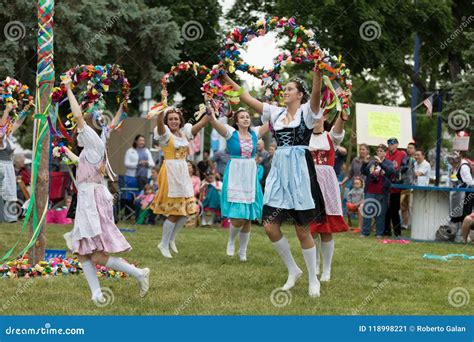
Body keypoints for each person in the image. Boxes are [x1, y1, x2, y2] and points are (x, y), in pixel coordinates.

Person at [223, 68, 324, 297]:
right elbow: (245, 97)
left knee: (302, 230)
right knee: (269, 225)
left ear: (300, 94)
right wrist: (225, 79)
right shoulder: (275, 113)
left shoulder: (308, 112)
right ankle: (293, 269)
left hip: (299, 172)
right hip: (279, 172)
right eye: (285, 88)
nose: (285, 91)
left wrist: (317, 72)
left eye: (290, 89)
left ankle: (312, 278)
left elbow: (316, 92)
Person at [60, 76, 150, 304]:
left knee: (96, 253)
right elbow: (87, 158)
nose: (75, 124)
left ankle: (139, 273)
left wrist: (69, 89)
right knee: (82, 251)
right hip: (89, 198)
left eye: (78, 122)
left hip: (92, 199)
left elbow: (79, 116)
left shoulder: (92, 140)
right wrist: (63, 153)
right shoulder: (92, 145)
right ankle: (97, 293)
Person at [148, 98, 209, 258]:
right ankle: (163, 243)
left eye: (176, 119)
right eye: (171, 119)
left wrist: (211, 104)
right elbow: (160, 123)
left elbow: (203, 123)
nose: (174, 121)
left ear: (180, 120)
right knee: (175, 211)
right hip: (170, 172)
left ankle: (171, 239)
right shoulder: (165, 134)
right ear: (167, 121)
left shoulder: (185, 133)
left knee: (188, 210)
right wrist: (162, 107)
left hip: (182, 172)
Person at [206, 104, 268, 261]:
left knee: (247, 217)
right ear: (236, 121)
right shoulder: (230, 133)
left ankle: (243, 251)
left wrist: (274, 106)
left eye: (247, 117)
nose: (246, 119)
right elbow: (213, 121)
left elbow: (273, 122)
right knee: (238, 215)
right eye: (242, 117)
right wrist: (209, 104)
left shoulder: (255, 133)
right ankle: (231, 240)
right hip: (236, 172)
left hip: (250, 172)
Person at [308, 111, 349, 282]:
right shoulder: (305, 137)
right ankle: (315, 262)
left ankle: (327, 269)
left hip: (327, 183)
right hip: (309, 181)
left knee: (326, 229)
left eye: (319, 115)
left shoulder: (330, 137)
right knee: (311, 229)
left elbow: (339, 128)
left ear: (324, 117)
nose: (316, 118)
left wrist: (342, 112)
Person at [0, 102, 30, 222]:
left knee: (9, 191)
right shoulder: (1, 139)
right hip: (1, 166)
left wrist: (25, 111)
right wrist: (7, 111)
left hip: (8, 167)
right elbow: (1, 131)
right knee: (2, 192)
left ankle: (10, 218)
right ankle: (4, 217)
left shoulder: (8, 136)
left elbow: (17, 123)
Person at [360, 144, 395, 238]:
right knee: (367, 211)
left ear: (385, 153)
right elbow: (364, 172)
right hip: (370, 190)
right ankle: (365, 232)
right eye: (377, 151)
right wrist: (364, 163)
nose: (379, 152)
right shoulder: (372, 162)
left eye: (381, 151)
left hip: (382, 191)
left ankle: (379, 233)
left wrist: (381, 163)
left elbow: (391, 172)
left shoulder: (388, 163)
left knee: (381, 213)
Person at [384, 137, 407, 237]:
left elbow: (405, 166)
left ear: (397, 144)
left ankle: (397, 233)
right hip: (386, 186)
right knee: (386, 211)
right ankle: (387, 232)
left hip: (396, 186)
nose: (391, 145)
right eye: (389, 144)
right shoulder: (386, 155)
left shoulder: (402, 154)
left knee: (394, 210)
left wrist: (397, 172)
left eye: (393, 144)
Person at [400, 142, 416, 229]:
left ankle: (413, 224)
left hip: (413, 186)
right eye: (408, 147)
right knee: (403, 205)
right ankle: (405, 224)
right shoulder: (404, 158)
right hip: (404, 184)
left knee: (411, 205)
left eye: (411, 148)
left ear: (414, 149)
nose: (409, 149)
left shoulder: (416, 159)